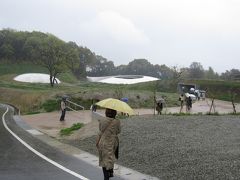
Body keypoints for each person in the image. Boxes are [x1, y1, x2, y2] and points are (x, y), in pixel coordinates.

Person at [96, 108, 121, 180]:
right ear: (115, 113)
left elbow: (100, 129)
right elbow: (118, 131)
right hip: (112, 143)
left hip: (103, 142)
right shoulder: (117, 122)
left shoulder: (102, 120)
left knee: (104, 160)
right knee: (110, 158)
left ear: (106, 112)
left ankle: (106, 177)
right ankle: (110, 173)